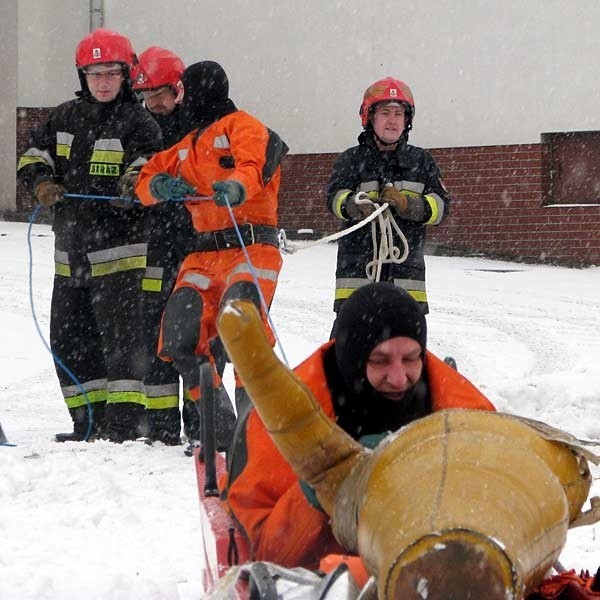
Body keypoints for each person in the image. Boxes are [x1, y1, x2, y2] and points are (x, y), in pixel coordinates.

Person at [224, 282, 496, 570]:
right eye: (379, 360)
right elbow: (266, 553)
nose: (399, 377)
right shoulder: (279, 419)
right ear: (352, 359)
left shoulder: (464, 411)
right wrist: (323, 484)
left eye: (411, 358)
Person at [135, 60, 288, 454]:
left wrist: (237, 188)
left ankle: (255, 424)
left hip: (251, 248)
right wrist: (159, 186)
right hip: (202, 256)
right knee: (180, 336)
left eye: (184, 91)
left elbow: (254, 165)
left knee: (243, 326)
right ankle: (217, 420)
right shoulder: (187, 145)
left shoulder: (243, 126)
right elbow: (144, 180)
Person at [17, 28, 162, 443]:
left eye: (111, 73)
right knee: (69, 340)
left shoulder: (140, 122)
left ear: (124, 75)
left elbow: (148, 168)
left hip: (121, 257)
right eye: (95, 73)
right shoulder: (63, 117)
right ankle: (88, 424)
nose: (102, 82)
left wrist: (131, 188)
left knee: (123, 347)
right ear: (83, 76)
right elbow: (33, 156)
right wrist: (42, 182)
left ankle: (123, 430)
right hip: (72, 256)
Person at [326, 77, 450, 334]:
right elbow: (334, 199)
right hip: (357, 281)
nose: (392, 120)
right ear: (369, 117)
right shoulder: (350, 161)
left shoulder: (422, 162)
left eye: (398, 113)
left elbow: (441, 208)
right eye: (385, 112)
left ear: (407, 120)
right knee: (345, 359)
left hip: (407, 285)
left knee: (405, 363)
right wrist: (353, 205)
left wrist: (410, 206)